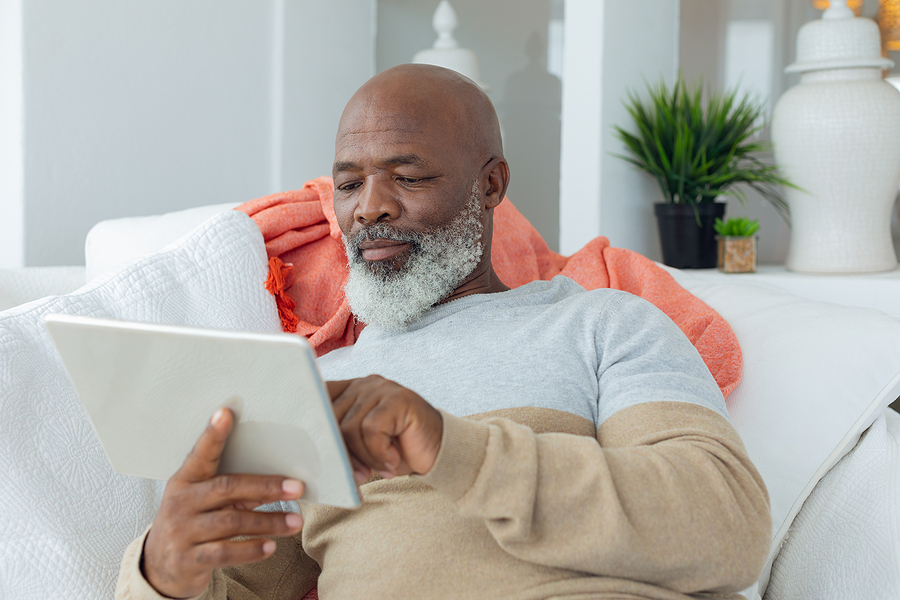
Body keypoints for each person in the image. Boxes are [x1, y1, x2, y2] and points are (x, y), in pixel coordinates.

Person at [116, 64, 770, 600]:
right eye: (349, 184)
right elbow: (239, 585)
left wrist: (450, 448)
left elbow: (726, 530)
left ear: (491, 185)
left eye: (407, 177)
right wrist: (161, 570)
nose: (369, 207)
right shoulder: (311, 387)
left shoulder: (603, 324)